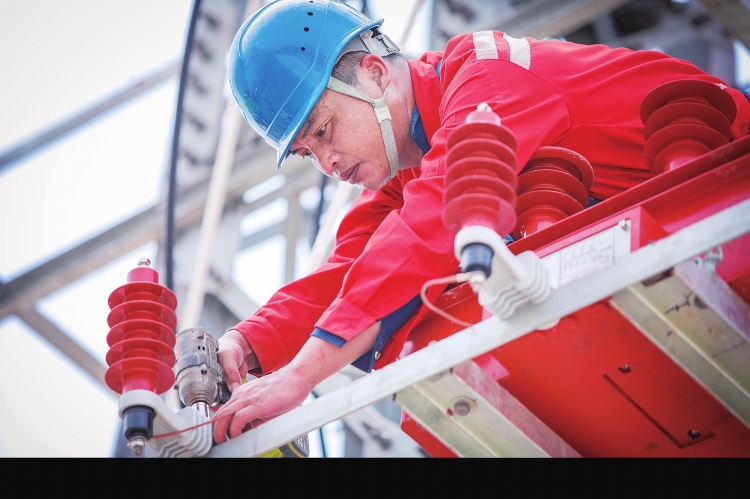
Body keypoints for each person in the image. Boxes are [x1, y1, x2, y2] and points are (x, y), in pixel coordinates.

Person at [212, 0, 750, 444]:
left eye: (324, 131)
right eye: (308, 154)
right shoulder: (411, 165)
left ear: (374, 74)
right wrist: (248, 346)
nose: (327, 164)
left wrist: (302, 378)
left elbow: (427, 227)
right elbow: (350, 268)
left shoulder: (487, 82)